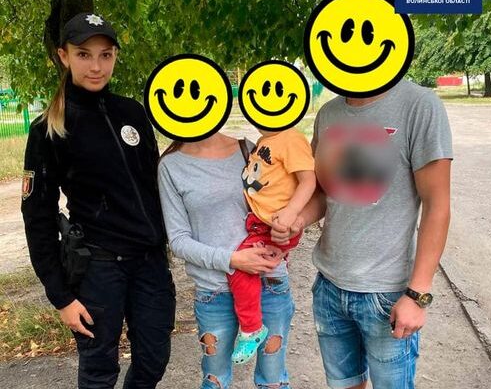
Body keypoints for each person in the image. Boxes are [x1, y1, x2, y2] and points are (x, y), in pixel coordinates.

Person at [21, 12, 175, 389]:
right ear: (63, 56)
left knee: (153, 361)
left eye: (106, 55)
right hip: (99, 270)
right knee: (99, 372)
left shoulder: (132, 113)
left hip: (150, 265)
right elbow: (37, 217)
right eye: (84, 54)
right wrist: (61, 297)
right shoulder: (49, 129)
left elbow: (153, 184)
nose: (96, 66)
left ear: (115, 56)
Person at [272, 79, 453, 389]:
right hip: (329, 286)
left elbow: (437, 205)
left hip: (387, 293)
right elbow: (325, 192)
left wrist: (417, 295)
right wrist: (297, 221)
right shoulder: (329, 113)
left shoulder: (419, 105)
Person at [158, 132, 295, 389]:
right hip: (214, 291)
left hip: (269, 283)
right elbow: (178, 240)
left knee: (273, 380)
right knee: (215, 379)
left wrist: (284, 238)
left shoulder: (247, 149)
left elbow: (281, 201)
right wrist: (233, 260)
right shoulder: (171, 166)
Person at [229, 127, 315, 364]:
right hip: (262, 223)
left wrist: (291, 212)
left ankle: (252, 329)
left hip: (275, 224)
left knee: (240, 269)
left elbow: (309, 180)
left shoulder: (291, 138)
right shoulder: (266, 139)